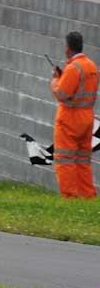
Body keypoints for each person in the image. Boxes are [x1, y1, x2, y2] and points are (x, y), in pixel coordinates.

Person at [49, 31, 98, 199]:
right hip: (87, 118)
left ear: (68, 48)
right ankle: (87, 195)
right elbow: (80, 90)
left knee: (65, 158)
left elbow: (62, 94)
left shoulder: (72, 68)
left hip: (70, 118)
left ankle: (70, 197)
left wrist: (56, 80)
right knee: (83, 159)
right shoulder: (91, 66)